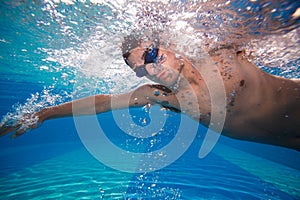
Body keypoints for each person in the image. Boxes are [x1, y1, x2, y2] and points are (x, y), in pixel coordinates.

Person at [1, 35, 299, 151]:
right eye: (141, 69)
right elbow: (104, 103)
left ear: (169, 45)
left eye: (152, 55)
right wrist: (43, 114)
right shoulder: (161, 96)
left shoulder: (220, 54)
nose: (151, 69)